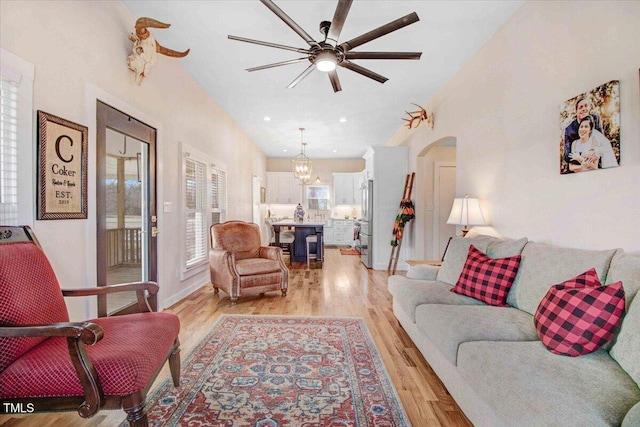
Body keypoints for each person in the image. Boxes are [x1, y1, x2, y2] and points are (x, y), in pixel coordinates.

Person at [563, 95, 603, 172]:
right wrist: (586, 156)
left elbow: (602, 144)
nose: (584, 109)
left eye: (586, 106)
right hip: (576, 167)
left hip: (595, 164)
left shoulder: (596, 119)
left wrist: (595, 153)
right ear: (576, 111)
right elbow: (568, 156)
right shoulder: (569, 129)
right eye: (581, 107)